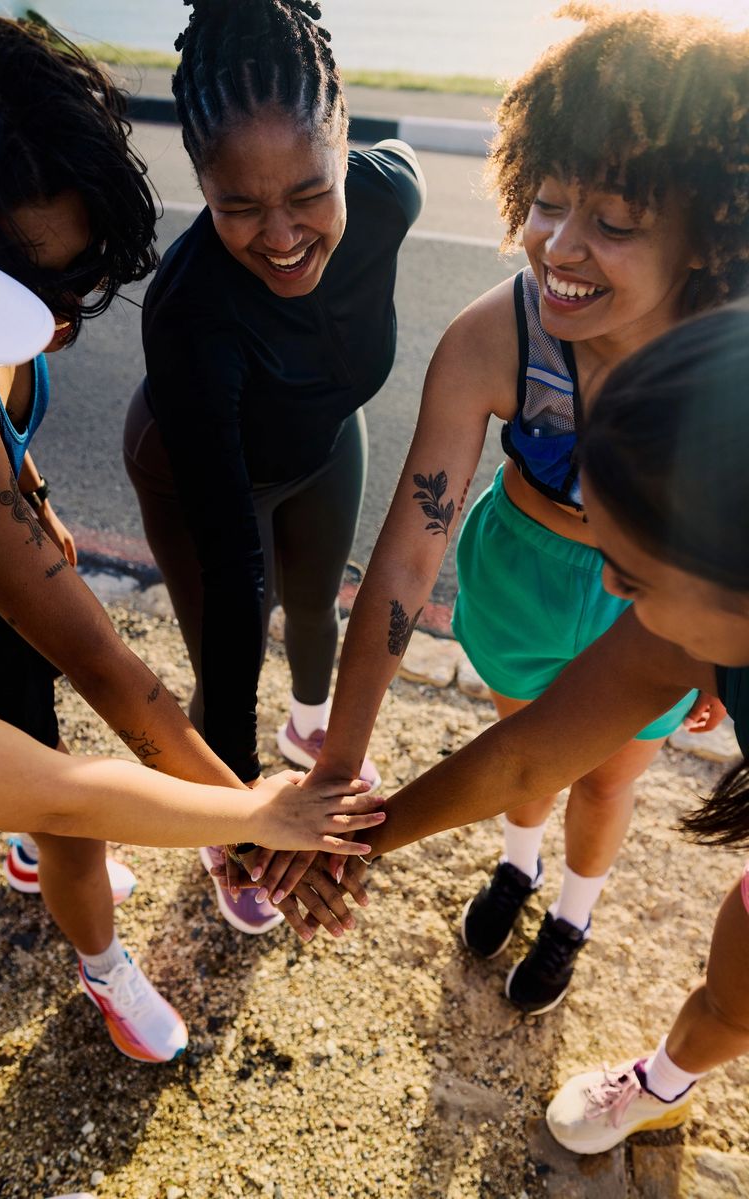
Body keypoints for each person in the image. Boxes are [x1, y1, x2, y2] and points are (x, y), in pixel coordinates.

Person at [276, 5, 748, 1002]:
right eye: (543, 201)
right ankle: (515, 863)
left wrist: (716, 638)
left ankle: (571, 912)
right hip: (520, 576)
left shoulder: (727, 371)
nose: (556, 248)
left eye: (614, 223)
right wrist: (340, 787)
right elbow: (405, 562)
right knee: (527, 756)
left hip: (666, 612)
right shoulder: (498, 335)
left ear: (709, 237)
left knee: (611, 776)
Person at [0, 14, 380, 1063]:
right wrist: (244, 819)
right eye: (26, 290)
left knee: (54, 782)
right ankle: (100, 964)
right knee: (60, 802)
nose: (55, 324)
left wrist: (235, 815)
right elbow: (78, 762)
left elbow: (99, 657)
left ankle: (65, 902)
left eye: (80, 286)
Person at [325, 302, 749, 1154]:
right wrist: (352, 837)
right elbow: (526, 756)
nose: (617, 598)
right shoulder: (689, 624)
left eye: (632, 569)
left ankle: (604, 973)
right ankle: (664, 1071)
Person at [123, 0, 425, 933]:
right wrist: (254, 815)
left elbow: (399, 168)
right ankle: (226, 820)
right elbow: (231, 560)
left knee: (318, 610)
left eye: (307, 192)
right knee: (234, 639)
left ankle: (308, 729)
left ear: (344, 144)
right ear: (202, 188)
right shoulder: (188, 315)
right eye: (237, 207)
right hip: (205, 476)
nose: (282, 235)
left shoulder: (392, 193)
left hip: (327, 432)